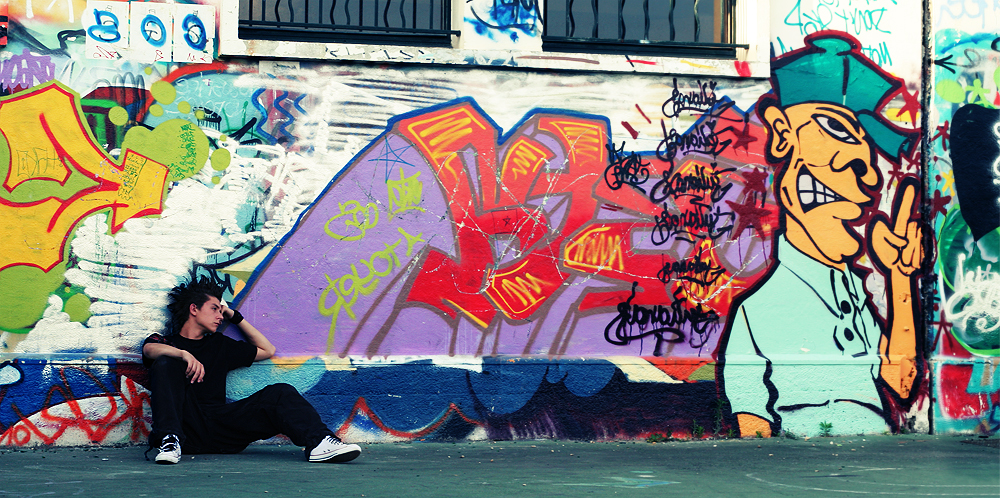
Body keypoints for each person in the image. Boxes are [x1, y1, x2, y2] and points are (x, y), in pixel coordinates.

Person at [719, 32, 923, 437]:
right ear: (780, 132)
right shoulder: (757, 311)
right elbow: (752, 425)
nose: (866, 170)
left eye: (869, 145)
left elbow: (901, 382)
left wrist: (901, 281)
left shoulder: (852, 290)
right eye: (837, 130)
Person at [142, 276, 361, 464]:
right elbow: (149, 348)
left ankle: (320, 443)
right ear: (194, 309)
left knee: (280, 392)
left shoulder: (219, 344)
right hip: (185, 426)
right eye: (214, 309)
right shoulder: (166, 342)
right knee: (165, 362)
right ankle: (169, 441)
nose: (220, 316)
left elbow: (267, 350)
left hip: (220, 427)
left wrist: (234, 316)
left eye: (221, 310)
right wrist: (182, 354)